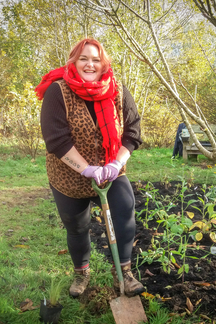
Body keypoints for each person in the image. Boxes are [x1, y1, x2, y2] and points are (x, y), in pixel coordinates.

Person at [36, 38, 144, 298]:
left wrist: (116, 163)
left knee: (125, 213)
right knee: (77, 226)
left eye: (96, 59)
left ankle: (125, 273)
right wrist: (86, 169)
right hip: (68, 175)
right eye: (84, 58)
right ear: (73, 61)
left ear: (103, 63)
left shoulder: (117, 90)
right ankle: (81, 273)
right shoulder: (57, 92)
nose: (90, 64)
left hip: (110, 170)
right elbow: (56, 140)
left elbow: (133, 131)